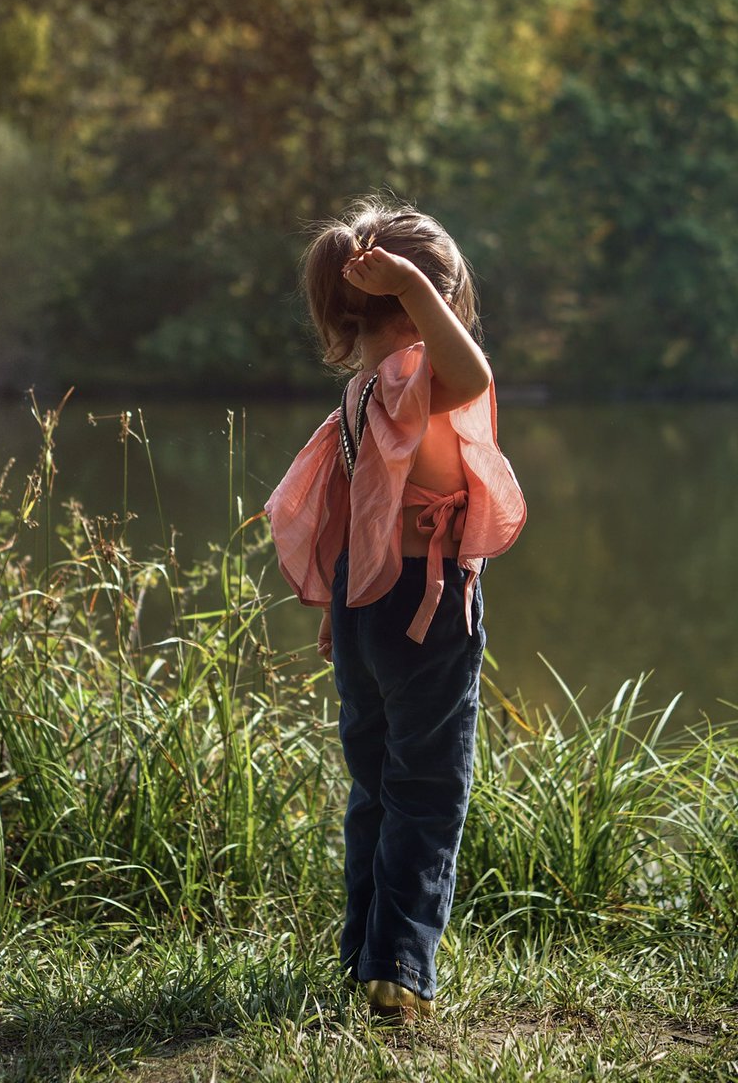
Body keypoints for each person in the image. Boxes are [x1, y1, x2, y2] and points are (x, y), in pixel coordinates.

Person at [265, 196, 526, 1022]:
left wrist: (336, 609)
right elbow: (477, 374)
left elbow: (348, 511)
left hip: (362, 606)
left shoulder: (360, 393)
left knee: (375, 786)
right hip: (425, 609)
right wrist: (418, 286)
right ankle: (400, 971)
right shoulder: (421, 379)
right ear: (431, 302)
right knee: (427, 786)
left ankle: (364, 954)